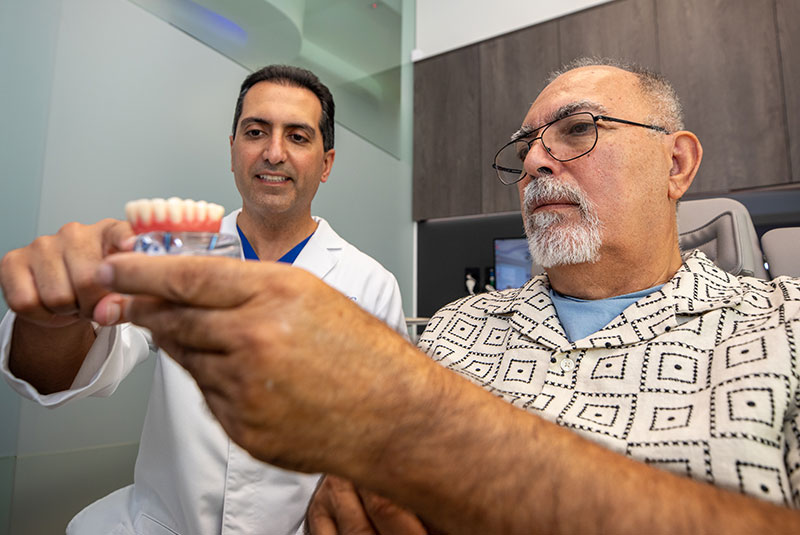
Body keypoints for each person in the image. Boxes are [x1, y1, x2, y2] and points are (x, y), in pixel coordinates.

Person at [52, 58, 800, 533]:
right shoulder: (454, 330)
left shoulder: (784, 328)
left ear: (677, 162)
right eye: (526, 145)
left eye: (576, 130)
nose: (536, 158)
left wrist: (435, 445)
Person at [0, 65, 407, 534]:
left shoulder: (371, 283)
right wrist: (53, 319)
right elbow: (75, 370)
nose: (273, 153)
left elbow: (380, 444)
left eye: (297, 137)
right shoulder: (173, 251)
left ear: (326, 163)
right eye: (256, 132)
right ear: (233, 149)